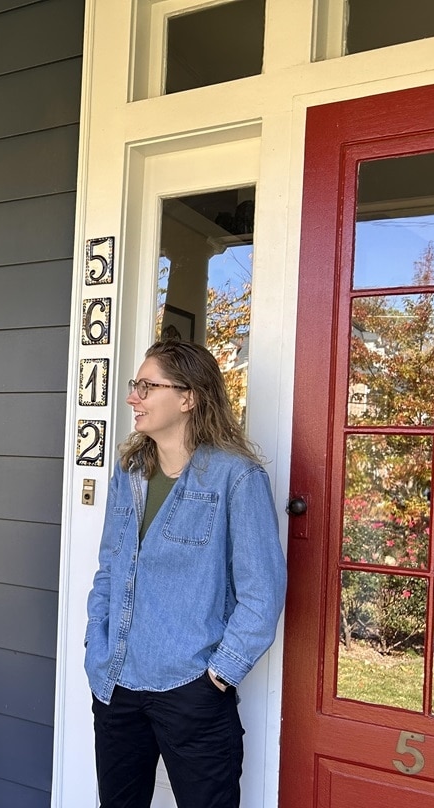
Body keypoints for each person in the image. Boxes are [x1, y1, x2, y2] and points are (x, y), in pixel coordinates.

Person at [84, 339, 287, 808]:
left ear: (188, 397)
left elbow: (263, 593)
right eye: (136, 386)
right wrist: (97, 641)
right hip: (116, 686)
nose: (133, 397)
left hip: (192, 691)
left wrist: (219, 675)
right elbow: (111, 568)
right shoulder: (131, 472)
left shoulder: (236, 478)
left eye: (145, 386)